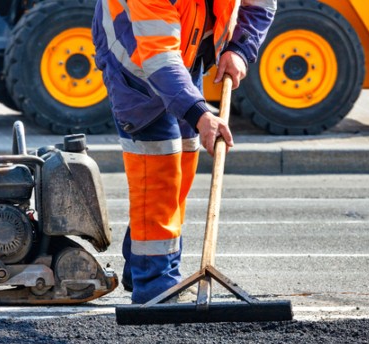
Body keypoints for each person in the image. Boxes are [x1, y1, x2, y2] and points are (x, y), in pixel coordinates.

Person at [92, 0, 276, 304]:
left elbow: (261, 4)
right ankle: (156, 284)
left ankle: (140, 265)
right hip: (135, 62)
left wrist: (240, 48)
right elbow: (159, 57)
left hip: (184, 54)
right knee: (160, 170)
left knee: (184, 160)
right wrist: (201, 114)